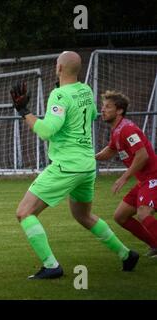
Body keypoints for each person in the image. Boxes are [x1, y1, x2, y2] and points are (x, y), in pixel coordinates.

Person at [10, 51, 139, 279]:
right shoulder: (86, 91)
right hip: (87, 167)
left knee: (24, 213)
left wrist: (23, 111)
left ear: (59, 68)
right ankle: (126, 254)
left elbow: (47, 131)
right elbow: (89, 117)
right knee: (83, 216)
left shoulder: (59, 95)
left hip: (66, 166)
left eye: (56, 64)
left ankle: (51, 266)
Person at [96, 90, 157, 257]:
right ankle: (155, 244)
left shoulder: (127, 129)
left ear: (119, 110)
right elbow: (109, 151)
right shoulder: (116, 131)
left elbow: (142, 155)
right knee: (120, 216)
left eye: (108, 107)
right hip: (144, 180)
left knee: (143, 212)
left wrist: (124, 177)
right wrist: (88, 158)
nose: (103, 110)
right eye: (103, 106)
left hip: (154, 177)